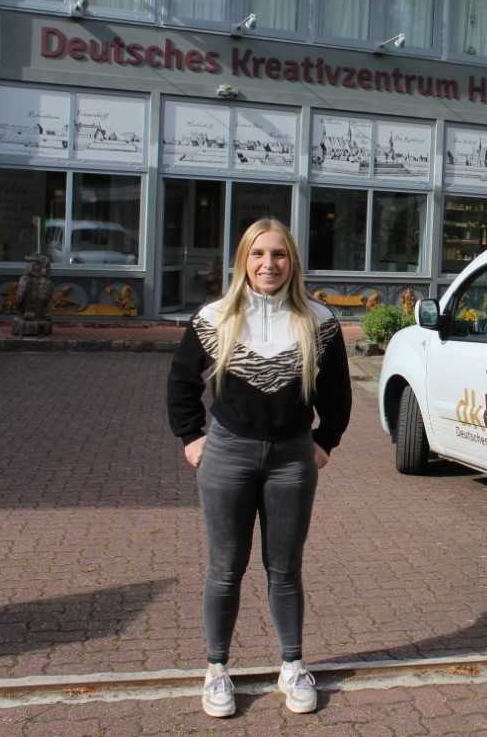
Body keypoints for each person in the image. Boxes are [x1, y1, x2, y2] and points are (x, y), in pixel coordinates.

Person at [167, 219, 352, 718]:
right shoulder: (215, 317)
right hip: (227, 455)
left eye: (279, 255)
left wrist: (325, 442)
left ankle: (292, 667)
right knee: (225, 569)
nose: (268, 264)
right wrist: (191, 438)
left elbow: (338, 391)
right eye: (258, 255)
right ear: (243, 261)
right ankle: (217, 671)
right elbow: (182, 383)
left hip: (292, 459)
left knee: (285, 570)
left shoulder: (319, 320)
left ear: (292, 262)